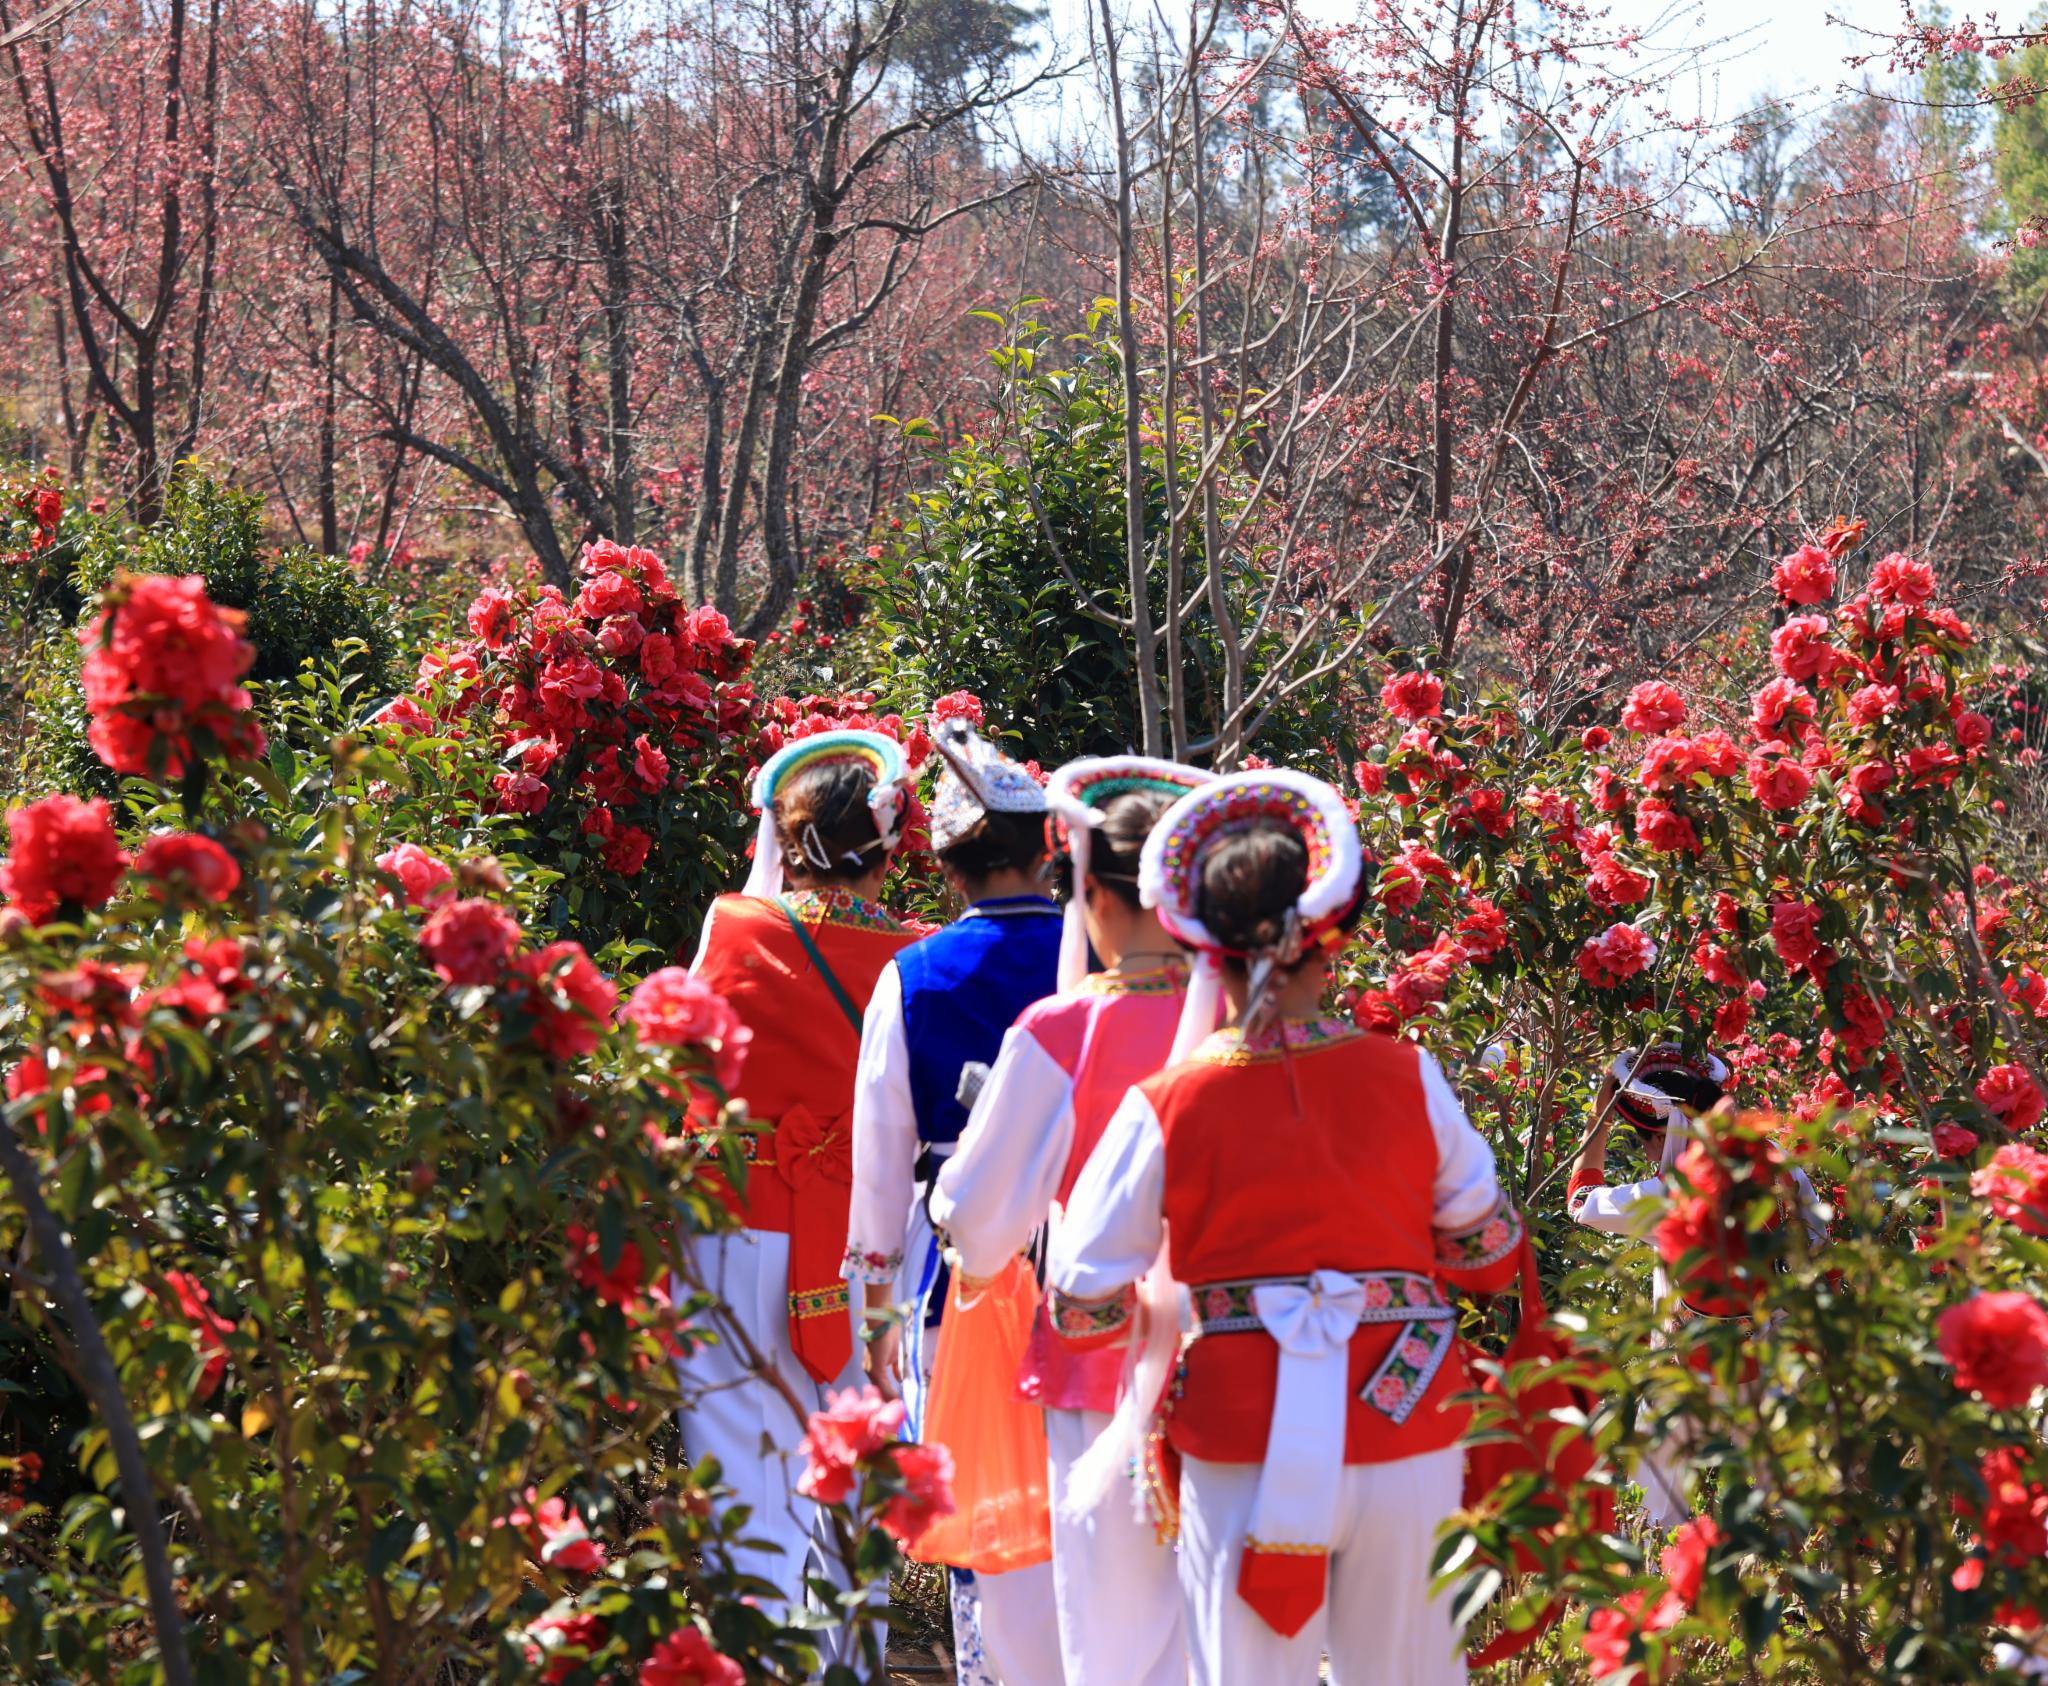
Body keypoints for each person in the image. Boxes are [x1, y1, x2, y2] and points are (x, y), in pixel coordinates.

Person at [1047, 769, 1525, 1686]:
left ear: (1204, 942)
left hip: (1241, 1425)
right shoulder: (1405, 1075)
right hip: (1403, 1410)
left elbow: (1080, 1296)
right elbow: (1488, 1247)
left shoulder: (1168, 1103)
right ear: (1330, 936)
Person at [930, 756, 1212, 1686]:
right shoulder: (1248, 1026)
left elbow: (976, 1223)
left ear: (1092, 890)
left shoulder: (1064, 1030)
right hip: (1243, 1364)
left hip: (1102, 1366)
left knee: (1110, 1638)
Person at [678, 729, 916, 1636]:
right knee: (858, 1473)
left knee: (742, 1466)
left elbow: (685, 1055)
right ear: (890, 848)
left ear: (783, 836)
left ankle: (766, 1658)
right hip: (866, 1241)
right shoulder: (917, 954)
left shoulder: (735, 924)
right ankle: (853, 1657)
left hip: (735, 1221)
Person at [843, 716, 1064, 1685]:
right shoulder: (1096, 961)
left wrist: (871, 1319)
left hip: (956, 1287)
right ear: (1043, 851)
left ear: (945, 866)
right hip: (1091, 1265)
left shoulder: (913, 977)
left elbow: (879, 1167)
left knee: (991, 1525)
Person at [1566, 1044, 1820, 1529]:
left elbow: (1580, 1199)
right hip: (1775, 1362)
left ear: (1665, 1133)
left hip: (1686, 1370)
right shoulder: (1782, 1166)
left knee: (1651, 1504)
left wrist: (1600, 1109)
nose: (1646, 1153)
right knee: (1789, 1506)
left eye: (1645, 1141)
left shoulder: (1668, 1193)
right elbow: (1817, 1245)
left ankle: (1654, 1585)